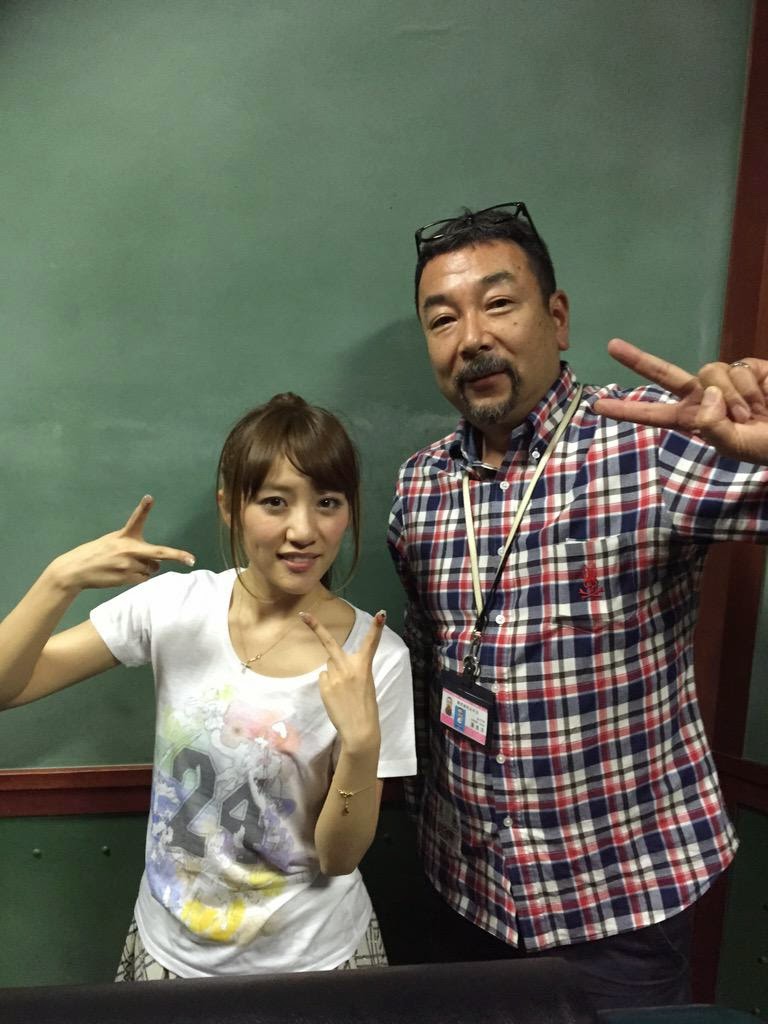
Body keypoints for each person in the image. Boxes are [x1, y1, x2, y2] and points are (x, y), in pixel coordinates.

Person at [387, 202, 768, 1011]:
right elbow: (427, 676)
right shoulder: (420, 488)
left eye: (498, 303)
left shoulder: (653, 443)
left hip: (619, 911)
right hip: (466, 898)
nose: (471, 337)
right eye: (442, 319)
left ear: (556, 319)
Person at [0, 392, 416, 979]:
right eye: (274, 502)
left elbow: (338, 858)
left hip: (314, 961)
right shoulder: (176, 607)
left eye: (328, 502)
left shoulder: (375, 658)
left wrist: (361, 746)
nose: (304, 530)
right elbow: (7, 687)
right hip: (171, 952)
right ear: (230, 507)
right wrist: (59, 580)